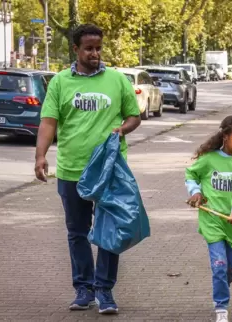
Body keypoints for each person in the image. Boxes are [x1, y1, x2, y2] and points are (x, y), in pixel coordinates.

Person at [34, 24, 141, 313]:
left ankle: (105, 290)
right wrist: (40, 155)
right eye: (89, 48)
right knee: (77, 232)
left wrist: (123, 129)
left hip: (109, 171)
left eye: (98, 48)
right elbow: (48, 122)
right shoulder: (59, 82)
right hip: (72, 170)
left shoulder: (117, 80)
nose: (95, 53)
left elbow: (134, 115)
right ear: (76, 50)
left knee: (110, 230)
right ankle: (84, 288)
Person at [185, 115, 232, 322]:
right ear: (225, 136)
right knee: (219, 265)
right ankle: (221, 307)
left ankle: (222, 284)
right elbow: (191, 174)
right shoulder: (208, 159)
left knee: (231, 269)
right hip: (212, 221)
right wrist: (196, 192)